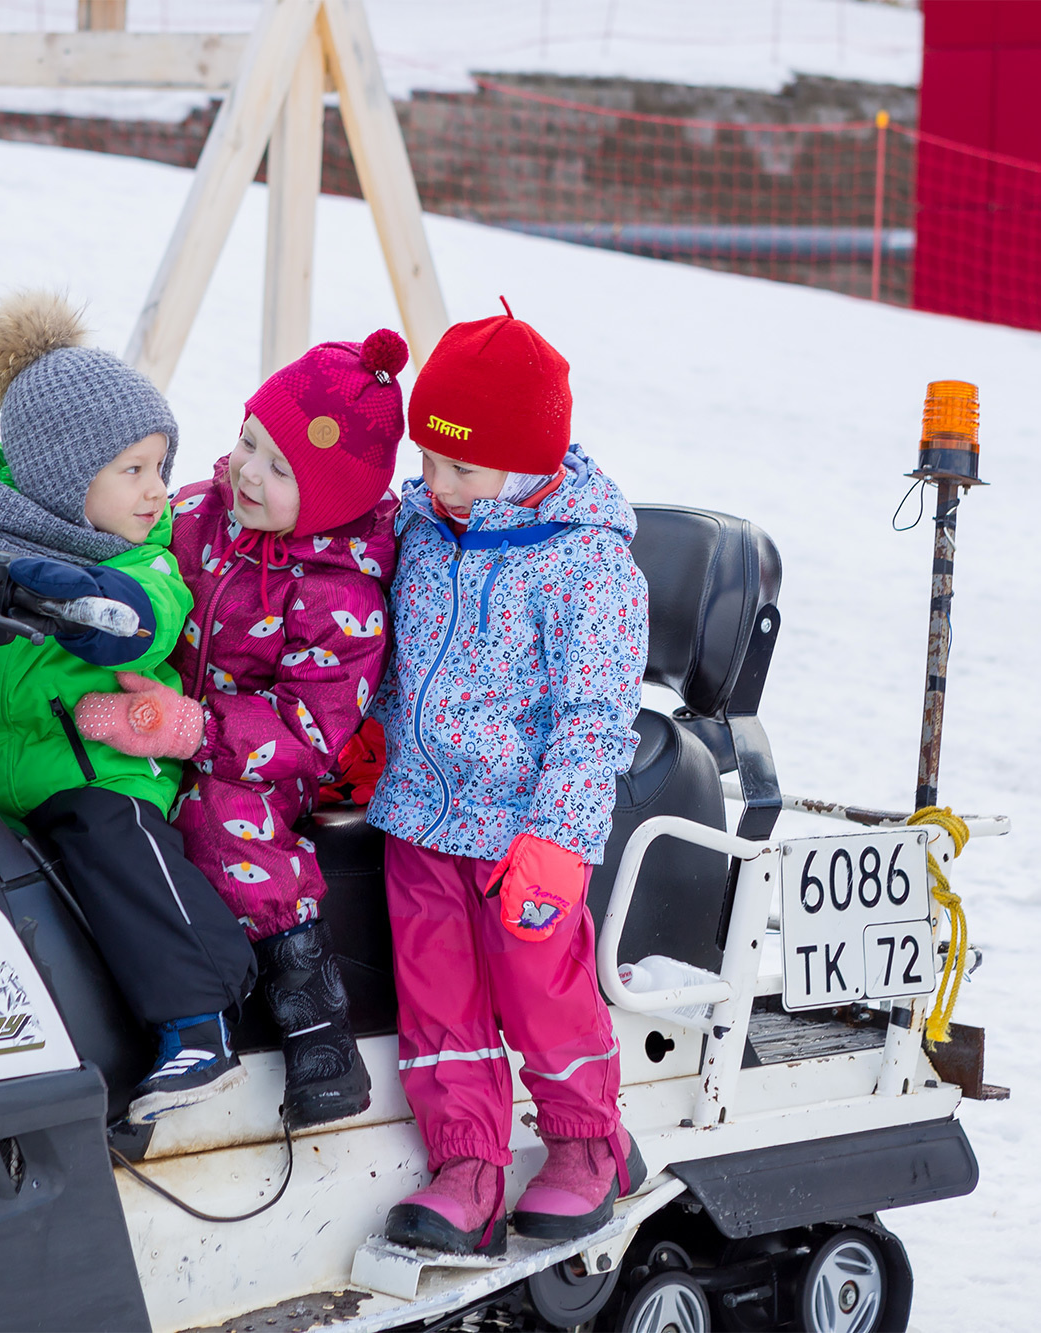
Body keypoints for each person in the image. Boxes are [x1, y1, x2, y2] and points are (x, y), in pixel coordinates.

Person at [368, 304, 650, 1253]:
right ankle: (469, 1163)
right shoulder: (422, 524)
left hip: (522, 833)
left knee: (539, 984)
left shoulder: (586, 562)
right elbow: (396, 658)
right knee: (435, 991)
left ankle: (586, 1142)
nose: (438, 484)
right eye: (430, 460)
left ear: (529, 460)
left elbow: (596, 716)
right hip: (418, 812)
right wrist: (372, 735)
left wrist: (560, 838)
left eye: (463, 467)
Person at [0, 290, 256, 1123]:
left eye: (159, 465)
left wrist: (66, 591)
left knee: (111, 839)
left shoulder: (148, 562)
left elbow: (137, 624)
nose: (159, 491)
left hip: (98, 769)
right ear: (58, 473)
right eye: (134, 470)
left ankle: (198, 1016)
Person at [79, 330, 406, 1128]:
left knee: (221, 821)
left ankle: (316, 1025)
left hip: (266, 764)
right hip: (157, 722)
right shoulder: (195, 510)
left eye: (280, 468)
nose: (247, 471)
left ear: (330, 496)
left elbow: (310, 725)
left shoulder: (342, 598)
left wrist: (192, 729)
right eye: (248, 441)